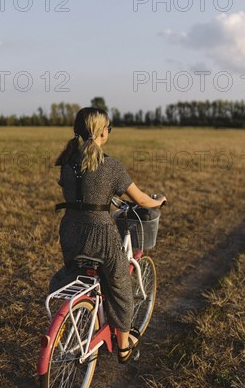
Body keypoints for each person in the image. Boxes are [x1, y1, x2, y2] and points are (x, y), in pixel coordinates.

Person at [52, 107, 167, 363]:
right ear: (103, 132)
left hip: (70, 231)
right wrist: (158, 201)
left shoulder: (67, 164)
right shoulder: (111, 166)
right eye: (109, 128)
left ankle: (62, 327)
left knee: (75, 276)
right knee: (120, 286)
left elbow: (73, 188)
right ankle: (124, 348)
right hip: (100, 235)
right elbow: (141, 199)